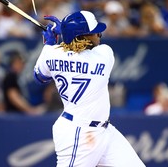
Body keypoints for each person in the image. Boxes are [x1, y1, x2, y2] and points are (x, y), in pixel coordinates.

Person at [33, 11, 145, 166]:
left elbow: (40, 77)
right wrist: (63, 33)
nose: (99, 34)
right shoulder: (105, 54)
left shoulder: (52, 54)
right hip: (79, 133)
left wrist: (50, 42)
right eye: (93, 32)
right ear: (82, 37)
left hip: (104, 131)